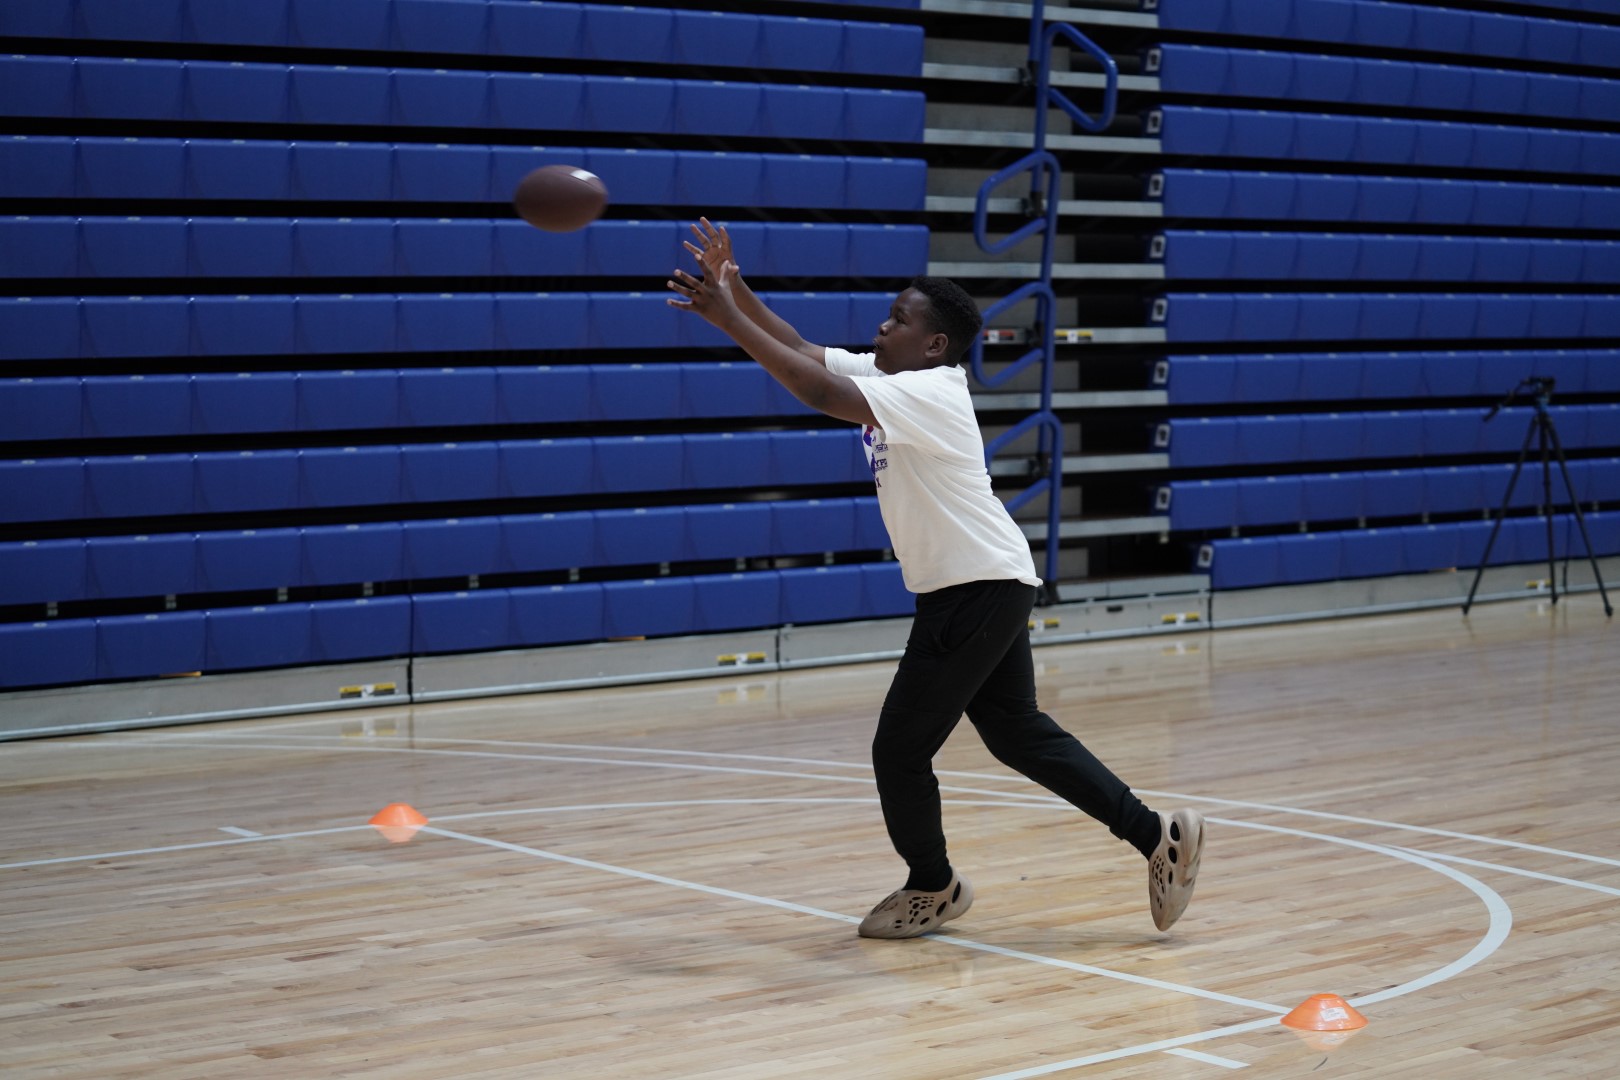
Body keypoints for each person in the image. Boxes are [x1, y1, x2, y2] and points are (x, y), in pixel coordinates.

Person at [666, 219, 1204, 939]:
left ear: (935, 344)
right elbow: (801, 349)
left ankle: (932, 886)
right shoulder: (896, 377)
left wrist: (727, 319)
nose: (882, 328)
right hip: (989, 579)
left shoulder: (930, 392)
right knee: (1016, 734)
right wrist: (736, 290)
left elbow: (814, 389)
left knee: (899, 750)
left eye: (898, 320)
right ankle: (1158, 837)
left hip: (973, 586)